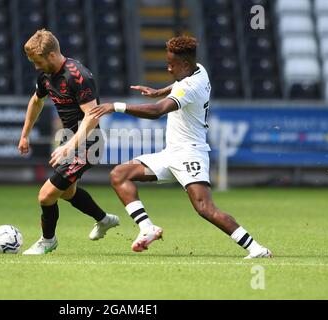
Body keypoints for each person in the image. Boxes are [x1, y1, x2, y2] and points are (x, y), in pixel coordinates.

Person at [89, 35, 272, 259]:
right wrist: (159, 92)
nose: (168, 68)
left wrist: (115, 106)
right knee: (120, 174)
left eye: (171, 65)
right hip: (170, 155)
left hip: (189, 154)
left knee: (205, 208)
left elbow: (157, 112)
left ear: (184, 64)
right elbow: (178, 85)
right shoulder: (199, 69)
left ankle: (256, 248)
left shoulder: (189, 86)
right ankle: (147, 228)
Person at [19, 29, 119, 255]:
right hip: (70, 142)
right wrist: (25, 134)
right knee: (67, 192)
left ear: (52, 55)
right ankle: (104, 220)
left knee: (46, 195)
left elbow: (91, 117)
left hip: (88, 144)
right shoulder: (45, 75)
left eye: (38, 61)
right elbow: (36, 101)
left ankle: (48, 240)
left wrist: (69, 146)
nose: (36, 67)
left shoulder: (78, 76)